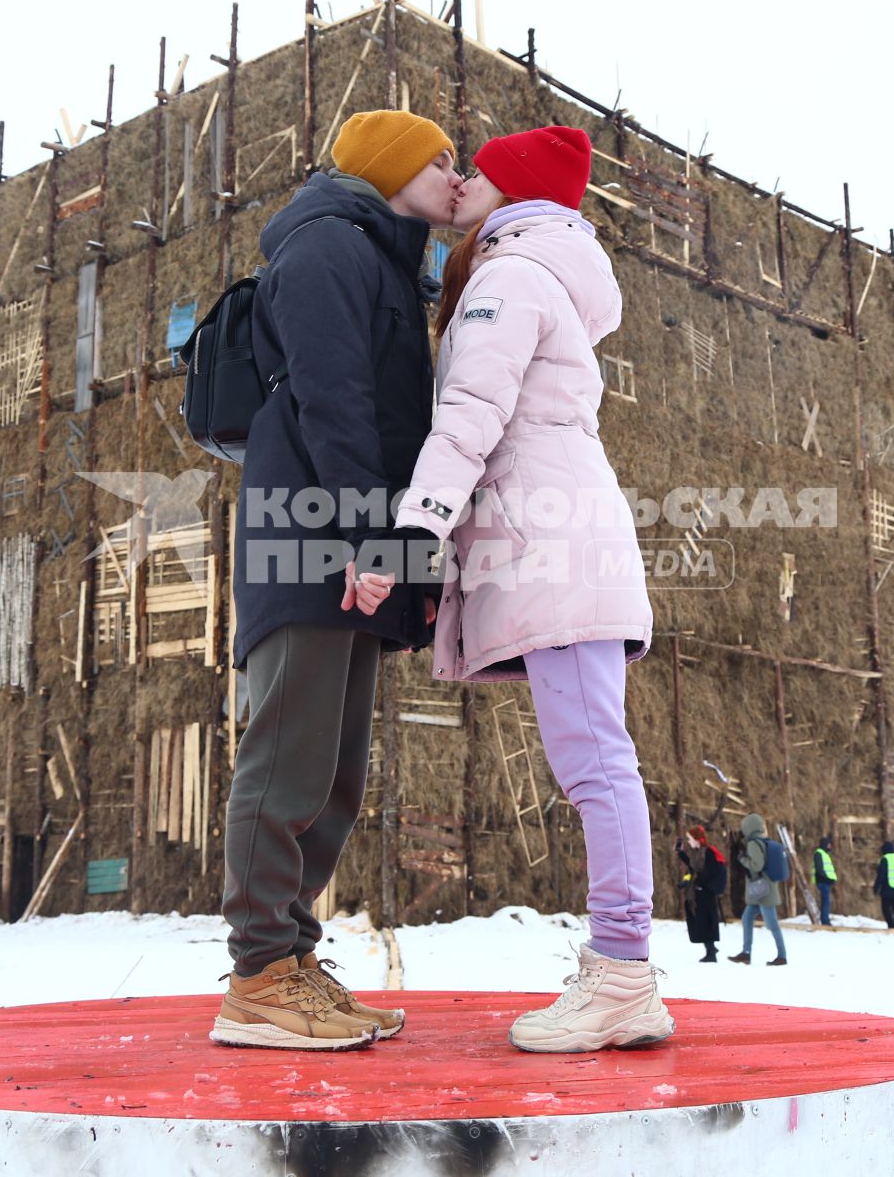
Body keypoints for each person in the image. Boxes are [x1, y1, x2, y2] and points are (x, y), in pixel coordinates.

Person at [367, 124, 667, 1053]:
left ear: (514, 192)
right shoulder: (536, 270)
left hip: (554, 545)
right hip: (559, 534)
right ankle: (621, 972)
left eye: (479, 173)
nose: (461, 185)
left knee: (594, 762)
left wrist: (412, 533)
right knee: (595, 759)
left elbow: (468, 419)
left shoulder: (510, 278)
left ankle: (622, 977)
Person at [214, 109, 458, 1053]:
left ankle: (291, 957)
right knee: (287, 757)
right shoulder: (324, 247)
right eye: (438, 158)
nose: (454, 171)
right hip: (309, 536)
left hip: (351, 544)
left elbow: (401, 434)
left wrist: (409, 561)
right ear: (391, 169)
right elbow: (333, 401)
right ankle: (259, 973)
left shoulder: (387, 262)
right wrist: (364, 536)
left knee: (334, 772)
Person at [728, 814, 788, 966]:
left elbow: (757, 865)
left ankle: (782, 956)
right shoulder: (764, 841)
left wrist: (742, 859)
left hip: (763, 890)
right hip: (762, 889)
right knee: (747, 918)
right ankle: (746, 953)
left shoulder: (753, 844)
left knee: (772, 923)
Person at [676, 825, 727, 963]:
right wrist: (681, 853)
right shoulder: (699, 852)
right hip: (700, 891)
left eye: (690, 838)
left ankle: (711, 951)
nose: (689, 841)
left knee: (706, 921)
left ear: (697, 838)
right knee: (702, 921)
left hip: (706, 892)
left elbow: (708, 871)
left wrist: (699, 884)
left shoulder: (708, 852)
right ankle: (710, 950)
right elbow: (694, 867)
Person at [875, 842, 894, 929]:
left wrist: (876, 888)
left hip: (888, 888)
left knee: (886, 908)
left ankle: (891, 925)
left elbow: (881, 875)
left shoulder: (885, 859)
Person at [814, 836, 839, 926]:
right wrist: (827, 878)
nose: (830, 847)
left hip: (826, 881)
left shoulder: (824, 854)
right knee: (825, 901)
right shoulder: (819, 853)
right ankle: (825, 920)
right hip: (823, 881)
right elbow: (820, 869)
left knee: (826, 901)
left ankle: (825, 919)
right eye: (828, 845)